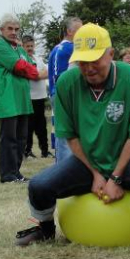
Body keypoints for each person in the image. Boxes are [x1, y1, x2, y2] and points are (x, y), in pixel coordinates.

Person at [15, 23, 130, 257]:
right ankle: (46, 229)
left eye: (95, 60)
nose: (89, 68)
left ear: (111, 54)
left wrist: (114, 178)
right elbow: (70, 135)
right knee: (39, 185)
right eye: (83, 61)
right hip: (88, 160)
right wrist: (95, 174)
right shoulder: (66, 83)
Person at [0, 14, 39, 183]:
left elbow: (31, 65)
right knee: (9, 138)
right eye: (10, 28)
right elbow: (20, 66)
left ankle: (16, 172)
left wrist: (31, 69)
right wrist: (35, 73)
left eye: (16, 29)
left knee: (21, 138)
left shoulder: (18, 49)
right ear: (1, 29)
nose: (13, 32)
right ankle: (7, 174)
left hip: (22, 99)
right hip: (8, 99)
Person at [48, 16, 83, 162]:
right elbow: (60, 78)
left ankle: (63, 166)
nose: (82, 34)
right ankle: (64, 168)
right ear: (69, 31)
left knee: (64, 132)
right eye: (79, 30)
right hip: (64, 96)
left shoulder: (60, 48)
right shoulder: (67, 48)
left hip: (60, 95)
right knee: (67, 133)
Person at [22, 35, 51, 159]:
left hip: (40, 97)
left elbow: (47, 72)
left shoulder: (38, 58)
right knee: (29, 126)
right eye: (27, 46)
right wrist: (39, 75)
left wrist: (38, 75)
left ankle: (45, 151)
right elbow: (32, 74)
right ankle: (27, 151)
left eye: (31, 46)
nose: (30, 48)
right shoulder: (22, 58)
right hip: (29, 98)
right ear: (23, 46)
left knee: (42, 127)